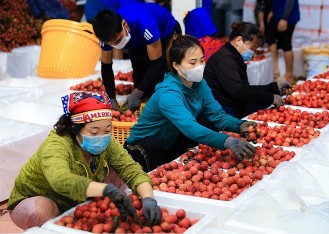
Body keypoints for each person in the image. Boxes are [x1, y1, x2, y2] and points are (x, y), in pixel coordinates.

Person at [7, 91, 161, 230]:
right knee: (40, 210)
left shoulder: (107, 142)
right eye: (94, 131)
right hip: (40, 199)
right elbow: (59, 180)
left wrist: (148, 198)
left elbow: (130, 168)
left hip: (78, 198)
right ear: (75, 129)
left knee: (119, 173)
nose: (102, 136)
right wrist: (105, 190)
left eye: (107, 130)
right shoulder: (57, 145)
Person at [124, 35, 258, 172]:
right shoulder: (168, 94)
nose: (199, 66)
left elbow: (217, 115)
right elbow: (190, 127)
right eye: (192, 63)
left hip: (171, 141)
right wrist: (227, 141)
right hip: (143, 149)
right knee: (153, 144)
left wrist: (240, 125)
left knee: (206, 120)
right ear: (176, 65)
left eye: (201, 60)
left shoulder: (200, 84)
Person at [92, 3, 182, 112]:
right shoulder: (106, 37)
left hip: (165, 34)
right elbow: (106, 66)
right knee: (139, 73)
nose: (117, 45)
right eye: (112, 44)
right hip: (137, 39)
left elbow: (157, 63)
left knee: (161, 81)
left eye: (119, 40)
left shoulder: (145, 23)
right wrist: (111, 99)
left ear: (124, 24)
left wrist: (138, 92)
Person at [204, 22, 291, 119]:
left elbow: (245, 88)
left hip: (230, 103)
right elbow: (239, 91)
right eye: (252, 48)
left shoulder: (233, 57)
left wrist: (274, 87)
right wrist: (270, 98)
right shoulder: (225, 59)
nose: (252, 53)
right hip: (220, 109)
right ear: (239, 40)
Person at [258, 0, 300, 82]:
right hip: (278, 14)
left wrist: (284, 18)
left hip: (287, 17)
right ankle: (282, 72)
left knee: (286, 44)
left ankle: (289, 74)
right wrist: (273, 11)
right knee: (277, 40)